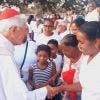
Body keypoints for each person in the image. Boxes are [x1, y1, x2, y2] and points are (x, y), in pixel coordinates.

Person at [0, 8, 54, 100]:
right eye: (25, 29)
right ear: (13, 30)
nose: (27, 33)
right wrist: (45, 90)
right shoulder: (4, 57)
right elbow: (19, 97)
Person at [76, 21, 100, 100]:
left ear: (97, 42)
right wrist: (61, 88)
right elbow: (85, 85)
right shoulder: (86, 57)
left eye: (81, 42)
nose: (78, 46)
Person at [60, 34, 82, 100]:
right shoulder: (67, 57)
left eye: (66, 50)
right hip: (67, 92)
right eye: (62, 51)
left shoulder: (84, 59)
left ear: (77, 47)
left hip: (80, 95)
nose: (64, 53)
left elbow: (83, 84)